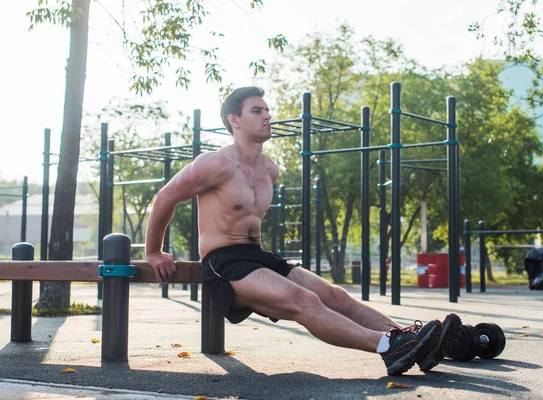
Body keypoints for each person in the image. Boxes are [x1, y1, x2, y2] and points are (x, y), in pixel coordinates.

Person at [145, 86, 462, 376]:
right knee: (303, 300)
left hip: (257, 257)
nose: (268, 115)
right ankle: (388, 346)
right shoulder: (214, 164)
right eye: (257, 110)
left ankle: (413, 340)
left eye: (268, 109)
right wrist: (154, 251)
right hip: (224, 262)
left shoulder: (270, 169)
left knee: (336, 295)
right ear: (235, 120)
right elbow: (166, 197)